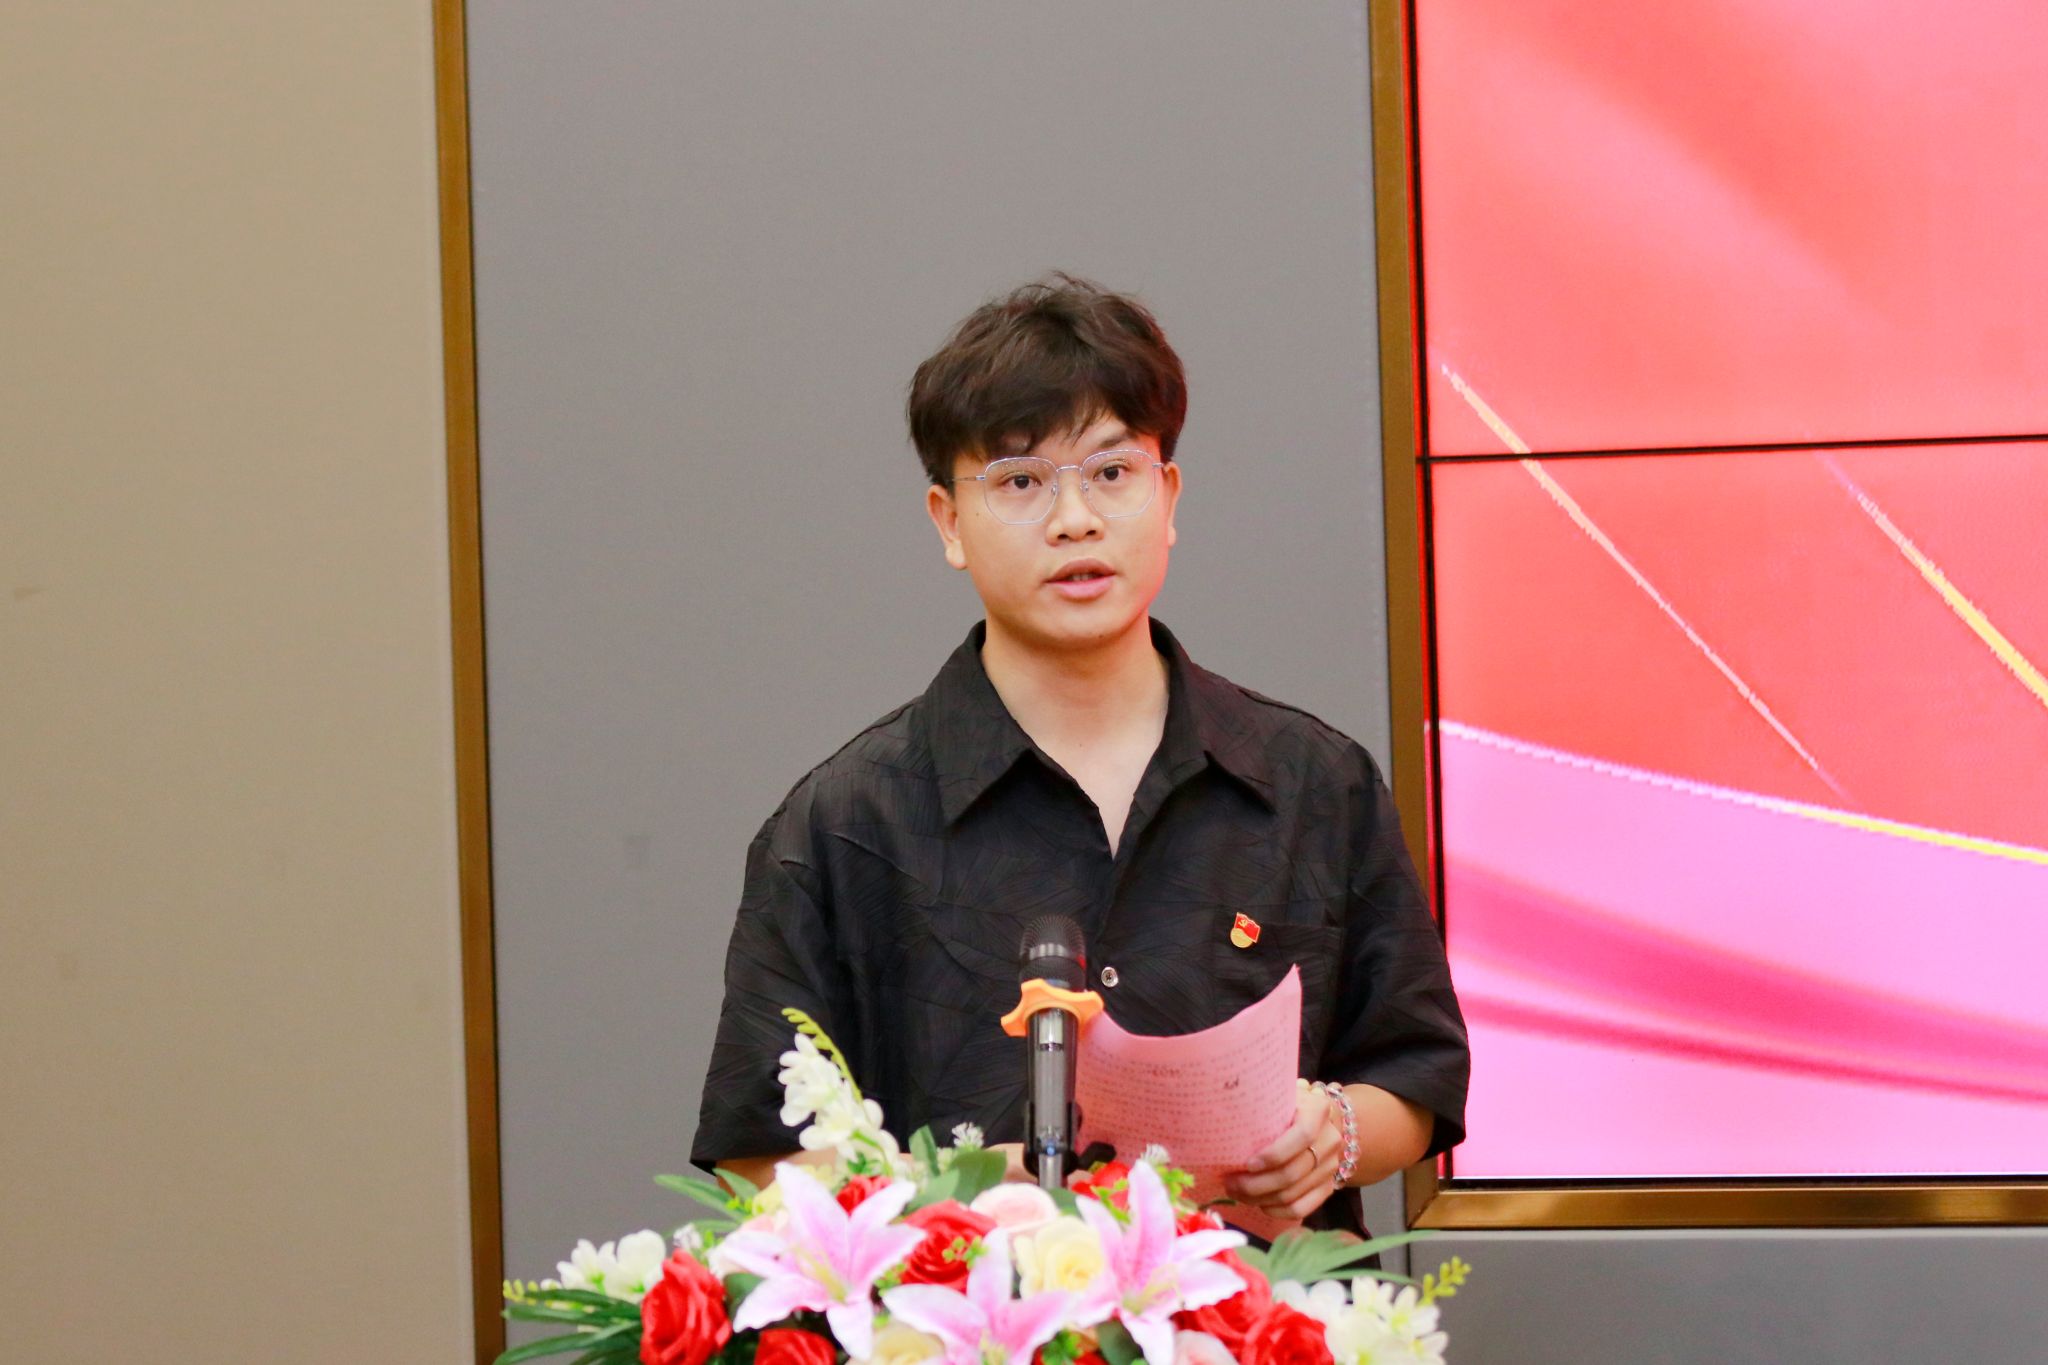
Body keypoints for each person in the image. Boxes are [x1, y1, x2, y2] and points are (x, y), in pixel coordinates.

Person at [692, 275, 1467, 1232]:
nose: (1076, 519)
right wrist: (962, 1192)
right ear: (948, 521)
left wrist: (1334, 1133)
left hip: (1259, 1304)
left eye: (1111, 472)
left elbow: (1416, 1074)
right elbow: (757, 1160)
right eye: (1021, 482)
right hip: (968, 1308)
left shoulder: (1314, 781)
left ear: (1167, 496)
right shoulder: (845, 822)